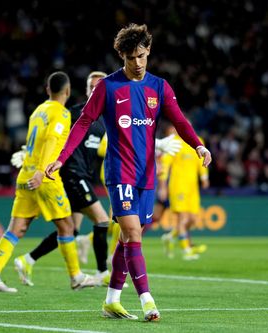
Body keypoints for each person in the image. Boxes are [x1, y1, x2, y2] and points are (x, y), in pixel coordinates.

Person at [45, 24, 212, 322]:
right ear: (121, 55)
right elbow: (82, 123)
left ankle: (111, 300)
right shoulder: (107, 87)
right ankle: (148, 301)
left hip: (147, 174)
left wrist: (198, 146)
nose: (138, 63)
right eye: (132, 57)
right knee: (133, 234)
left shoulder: (159, 87)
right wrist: (61, 158)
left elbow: (181, 122)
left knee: (127, 238)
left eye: (143, 56)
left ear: (148, 53)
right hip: (120, 171)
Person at [0, 71, 98, 293]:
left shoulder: (38, 111)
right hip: (45, 177)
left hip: (26, 174)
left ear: (47, 90)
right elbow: (52, 140)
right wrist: (43, 172)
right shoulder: (61, 114)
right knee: (67, 226)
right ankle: (76, 277)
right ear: (68, 91)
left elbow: (34, 142)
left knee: (17, 227)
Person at [12, 71, 112, 287]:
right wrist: (27, 153)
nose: (94, 89)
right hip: (71, 174)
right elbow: (50, 135)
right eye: (90, 86)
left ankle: (27, 259)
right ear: (86, 90)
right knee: (102, 220)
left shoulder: (106, 119)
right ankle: (103, 272)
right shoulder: (75, 113)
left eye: (99, 86)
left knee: (70, 230)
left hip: (82, 175)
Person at [159, 125, 210, 260]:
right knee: (184, 218)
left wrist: (204, 177)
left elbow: (201, 161)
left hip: (193, 187)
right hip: (178, 186)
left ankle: (169, 237)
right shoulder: (174, 143)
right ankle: (186, 250)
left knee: (193, 219)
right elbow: (165, 165)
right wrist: (162, 187)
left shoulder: (197, 141)